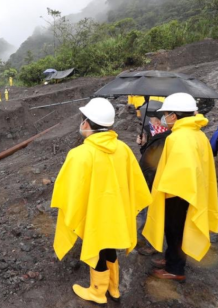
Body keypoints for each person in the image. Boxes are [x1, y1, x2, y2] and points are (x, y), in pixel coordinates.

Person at [51, 98, 152, 304]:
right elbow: (135, 184)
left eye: (82, 120)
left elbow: (69, 190)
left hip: (95, 214)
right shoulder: (123, 149)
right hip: (116, 213)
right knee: (110, 245)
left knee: (97, 246)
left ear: (86, 123)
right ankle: (113, 288)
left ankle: (98, 292)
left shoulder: (79, 154)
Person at [143, 93, 218, 282]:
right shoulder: (197, 133)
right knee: (177, 231)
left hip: (178, 194)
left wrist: (165, 194)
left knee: (174, 231)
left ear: (174, 116)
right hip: (190, 191)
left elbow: (180, 172)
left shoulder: (179, 137)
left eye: (166, 113)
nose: (165, 118)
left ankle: (175, 270)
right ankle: (171, 259)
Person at [135, 101, 171, 256]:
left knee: (150, 212)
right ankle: (147, 237)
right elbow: (148, 154)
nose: (149, 122)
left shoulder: (167, 137)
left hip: (153, 180)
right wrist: (143, 144)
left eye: (151, 120)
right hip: (152, 179)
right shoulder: (155, 134)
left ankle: (151, 242)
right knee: (148, 211)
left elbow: (152, 160)